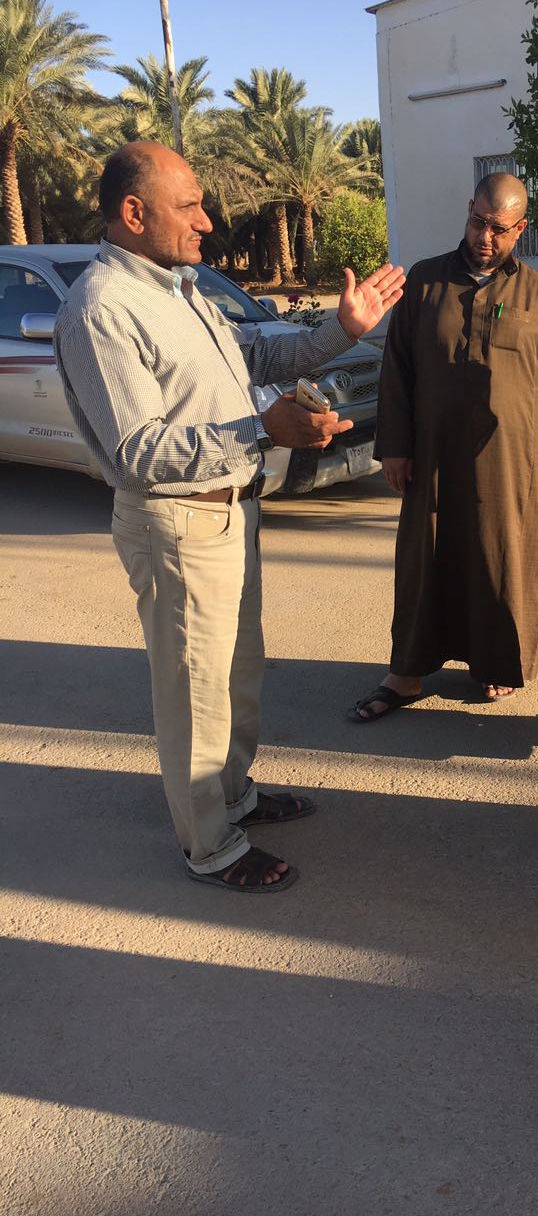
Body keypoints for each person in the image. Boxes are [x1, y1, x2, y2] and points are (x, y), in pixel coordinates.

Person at [54, 141, 404, 892]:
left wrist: (342, 330)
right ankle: (209, 844)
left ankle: (234, 796)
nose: (207, 221)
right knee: (194, 694)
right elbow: (139, 451)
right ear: (134, 212)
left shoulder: (180, 289)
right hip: (177, 524)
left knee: (237, 675)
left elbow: (255, 358)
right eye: (189, 206)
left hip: (230, 513)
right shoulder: (102, 308)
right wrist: (263, 431)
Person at [351, 172, 538, 720]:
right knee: (424, 558)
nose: (485, 237)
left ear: (521, 229)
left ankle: (497, 664)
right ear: (469, 209)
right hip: (432, 455)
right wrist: (395, 446)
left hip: (511, 460)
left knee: (502, 559)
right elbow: (397, 368)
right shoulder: (426, 282)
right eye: (478, 222)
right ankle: (406, 673)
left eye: (500, 228)